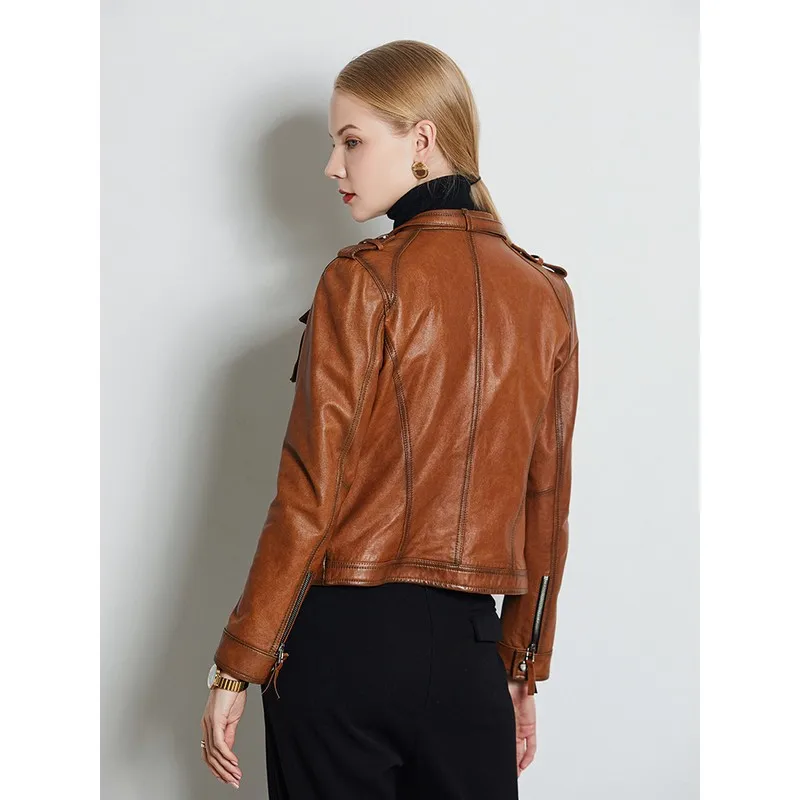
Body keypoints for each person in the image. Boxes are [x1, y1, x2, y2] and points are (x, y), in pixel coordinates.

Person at [200, 39, 579, 799]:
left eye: (351, 141)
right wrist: (520, 667)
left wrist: (238, 664)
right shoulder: (546, 295)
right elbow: (547, 503)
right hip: (470, 654)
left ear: (422, 140)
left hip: (341, 649)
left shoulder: (360, 281)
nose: (332, 167)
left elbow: (309, 495)